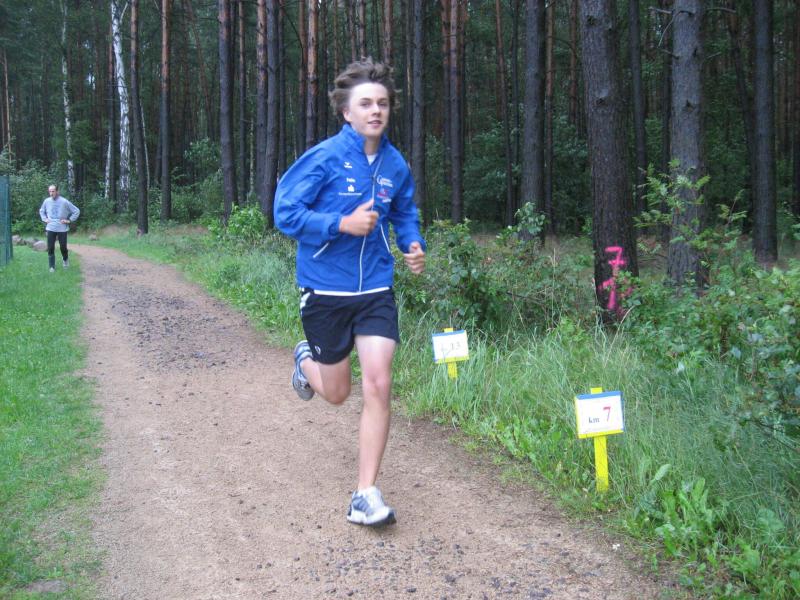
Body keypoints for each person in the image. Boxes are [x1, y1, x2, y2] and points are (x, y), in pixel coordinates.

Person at [274, 58, 426, 527]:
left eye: (382, 103)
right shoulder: (324, 158)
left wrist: (412, 243)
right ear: (347, 112)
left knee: (378, 382)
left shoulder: (395, 163)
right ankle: (306, 361)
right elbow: (285, 212)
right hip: (325, 288)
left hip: (376, 286)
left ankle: (365, 493)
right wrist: (340, 223)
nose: (375, 110)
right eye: (365, 104)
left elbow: (404, 211)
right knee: (338, 393)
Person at [39, 184, 80, 272]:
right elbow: (41, 211)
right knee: (50, 247)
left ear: (57, 191)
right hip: (50, 227)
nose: (51, 193)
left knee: (63, 247)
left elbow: (76, 211)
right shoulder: (47, 201)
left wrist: (69, 220)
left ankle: (65, 260)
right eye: (50, 191)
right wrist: (45, 219)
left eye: (53, 191)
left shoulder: (64, 202)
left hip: (62, 228)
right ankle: (52, 267)